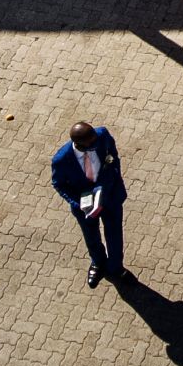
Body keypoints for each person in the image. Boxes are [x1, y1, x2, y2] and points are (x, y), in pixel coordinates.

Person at [51, 122, 135, 289]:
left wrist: (110, 180)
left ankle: (116, 267)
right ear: (80, 145)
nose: (96, 142)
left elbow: (113, 156)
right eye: (91, 142)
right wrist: (80, 203)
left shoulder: (102, 134)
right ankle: (98, 263)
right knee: (91, 236)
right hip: (85, 207)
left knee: (115, 235)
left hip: (111, 198)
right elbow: (59, 184)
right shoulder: (62, 159)